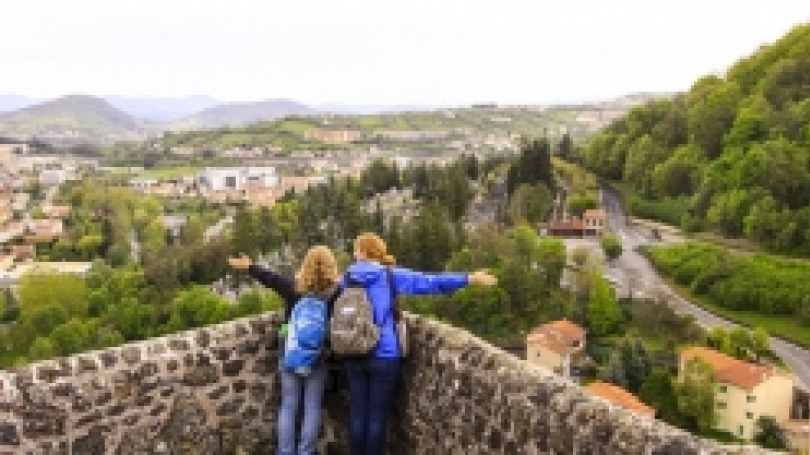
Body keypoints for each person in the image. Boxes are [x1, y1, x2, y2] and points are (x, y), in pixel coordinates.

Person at [343, 232, 497, 455]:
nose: (354, 254)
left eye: (356, 250)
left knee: (358, 414)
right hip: (384, 353)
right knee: (376, 417)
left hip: (353, 351)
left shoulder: (346, 277)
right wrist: (469, 278)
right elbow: (430, 282)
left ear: (364, 252)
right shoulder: (389, 275)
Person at [228, 246, 341, 455]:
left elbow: (269, 278)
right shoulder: (336, 293)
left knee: (288, 406)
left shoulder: (293, 288)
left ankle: (285, 451)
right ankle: (306, 452)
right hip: (318, 355)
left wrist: (249, 266)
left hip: (291, 352)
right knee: (312, 407)